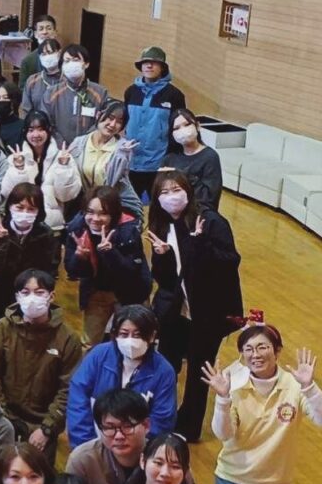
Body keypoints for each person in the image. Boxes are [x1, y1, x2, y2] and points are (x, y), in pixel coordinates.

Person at [206, 325, 322, 484]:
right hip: (233, 476)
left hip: (273, 483)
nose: (255, 354)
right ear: (242, 355)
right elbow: (224, 434)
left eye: (262, 347)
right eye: (248, 349)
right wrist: (222, 399)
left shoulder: (295, 385)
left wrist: (310, 388)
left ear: (277, 351)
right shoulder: (234, 385)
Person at [147, 169, 242, 441]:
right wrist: (162, 256)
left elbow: (230, 261)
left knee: (200, 369)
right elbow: (165, 279)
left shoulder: (210, 221)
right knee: (166, 362)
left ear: (188, 191)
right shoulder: (161, 225)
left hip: (209, 312)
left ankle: (189, 428)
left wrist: (200, 246)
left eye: (176, 189)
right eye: (164, 192)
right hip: (177, 308)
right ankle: (162, 416)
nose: (171, 197)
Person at [0, 269, 83, 462]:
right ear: (17, 297)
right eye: (26, 292)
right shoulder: (1, 329)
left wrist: (47, 428)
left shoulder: (68, 338)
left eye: (39, 292)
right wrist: (4, 419)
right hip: (4, 418)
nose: (32, 298)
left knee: (38, 473)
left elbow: (68, 388)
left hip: (44, 423)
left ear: (51, 296)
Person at [66, 304, 176, 447]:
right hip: (92, 443)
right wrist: (85, 446)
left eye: (137, 335)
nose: (130, 341)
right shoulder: (98, 356)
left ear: (152, 336)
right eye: (124, 334)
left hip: (137, 450)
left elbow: (162, 421)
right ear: (115, 335)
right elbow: (78, 399)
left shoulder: (164, 372)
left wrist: (133, 450)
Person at [64, 185, 152, 350]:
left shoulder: (128, 230)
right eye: (90, 212)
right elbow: (72, 270)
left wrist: (110, 252)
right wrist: (80, 258)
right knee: (89, 343)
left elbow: (130, 272)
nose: (95, 218)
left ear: (114, 214)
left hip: (130, 292)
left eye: (103, 213)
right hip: (97, 292)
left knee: (133, 340)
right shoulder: (77, 229)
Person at [0, 182, 60, 322]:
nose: (25, 213)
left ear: (38, 211)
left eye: (31, 209)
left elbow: (50, 269)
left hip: (29, 294)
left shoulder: (45, 234)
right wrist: (0, 242)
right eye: (20, 208)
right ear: (10, 207)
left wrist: (37, 294)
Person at [0, 109, 81, 236]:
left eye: (41, 129)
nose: (36, 134)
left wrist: (63, 167)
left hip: (52, 226)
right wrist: (19, 168)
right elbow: (8, 193)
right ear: (25, 132)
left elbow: (66, 196)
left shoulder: (63, 157)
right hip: (21, 224)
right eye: (31, 130)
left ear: (48, 130)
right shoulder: (16, 158)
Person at [65, 387, 152, 484]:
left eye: (127, 426)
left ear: (146, 425)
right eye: (109, 427)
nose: (119, 436)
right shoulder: (82, 459)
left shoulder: (163, 457)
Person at [123, 46, 187, 197]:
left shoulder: (175, 95)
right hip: (131, 162)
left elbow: (179, 130)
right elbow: (124, 122)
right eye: (145, 62)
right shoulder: (131, 92)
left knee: (160, 206)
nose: (149, 66)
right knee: (129, 207)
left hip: (159, 165)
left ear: (162, 67)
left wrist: (171, 161)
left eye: (154, 63)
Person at [68, 99, 142, 218]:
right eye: (110, 118)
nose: (112, 124)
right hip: (83, 203)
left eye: (119, 121)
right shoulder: (79, 143)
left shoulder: (123, 149)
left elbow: (117, 183)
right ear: (98, 115)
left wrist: (123, 154)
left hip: (113, 205)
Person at [44, 44, 109, 146]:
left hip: (90, 146)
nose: (71, 64)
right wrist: (61, 145)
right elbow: (46, 122)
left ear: (86, 64)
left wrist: (84, 143)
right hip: (59, 148)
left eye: (76, 60)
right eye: (67, 61)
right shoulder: (51, 93)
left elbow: (102, 122)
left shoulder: (100, 92)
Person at [162, 107, 223, 211]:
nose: (182, 130)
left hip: (199, 213)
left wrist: (184, 177)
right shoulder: (169, 159)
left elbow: (210, 197)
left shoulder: (210, 156)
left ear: (197, 126)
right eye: (176, 128)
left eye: (187, 124)